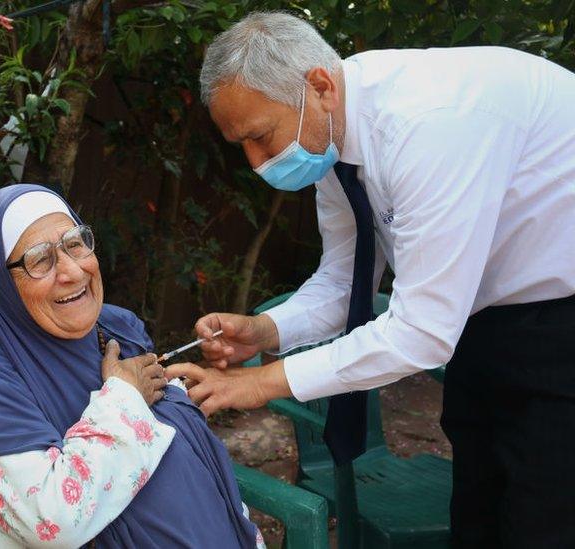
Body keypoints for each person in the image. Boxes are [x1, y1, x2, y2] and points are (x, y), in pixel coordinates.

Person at [166, 11, 575, 548]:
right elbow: (345, 279)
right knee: (477, 506)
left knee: (543, 517)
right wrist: (266, 331)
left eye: (261, 137)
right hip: (484, 320)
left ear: (318, 85)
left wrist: (263, 382)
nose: (257, 162)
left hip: (560, 325)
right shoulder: (333, 138)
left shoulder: (428, 126)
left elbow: (422, 332)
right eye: (240, 145)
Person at [0, 184, 265, 548]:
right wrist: (124, 397)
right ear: (0, 282)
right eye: (39, 259)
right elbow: (56, 522)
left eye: (74, 243)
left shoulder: (117, 328)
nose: (72, 272)